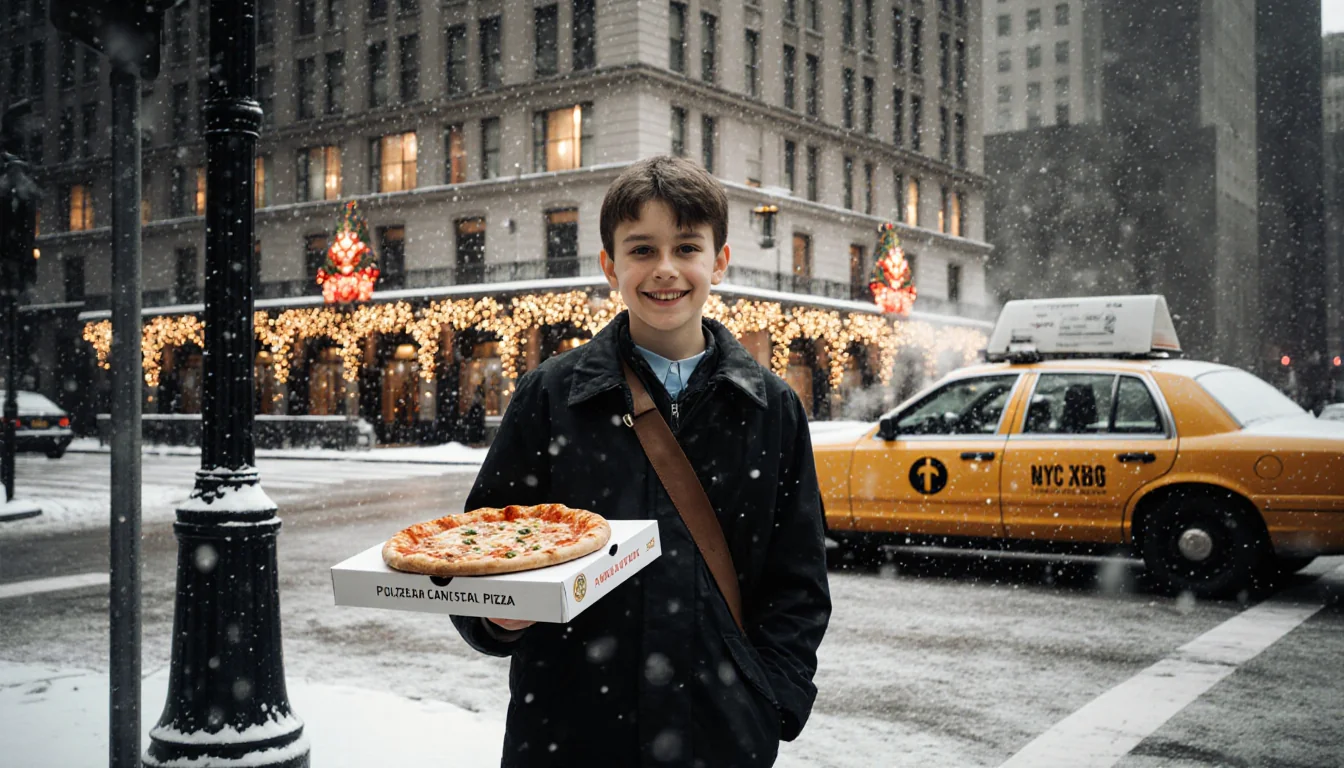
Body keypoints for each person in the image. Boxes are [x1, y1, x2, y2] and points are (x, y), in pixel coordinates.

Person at [451, 155, 831, 767]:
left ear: (720, 261)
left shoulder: (773, 408)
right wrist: (497, 619)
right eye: (641, 250)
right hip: (570, 732)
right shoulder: (550, 395)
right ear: (610, 266)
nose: (665, 271)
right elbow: (481, 550)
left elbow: (798, 584)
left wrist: (771, 703)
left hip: (720, 735)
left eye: (686, 247)